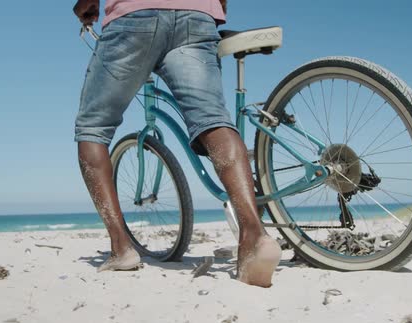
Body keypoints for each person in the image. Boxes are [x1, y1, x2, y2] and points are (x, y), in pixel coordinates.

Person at [73, 0, 281, 287]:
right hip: (196, 16)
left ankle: (121, 248)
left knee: (93, 127)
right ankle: (254, 235)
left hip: (134, 17)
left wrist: (86, 6)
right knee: (213, 121)